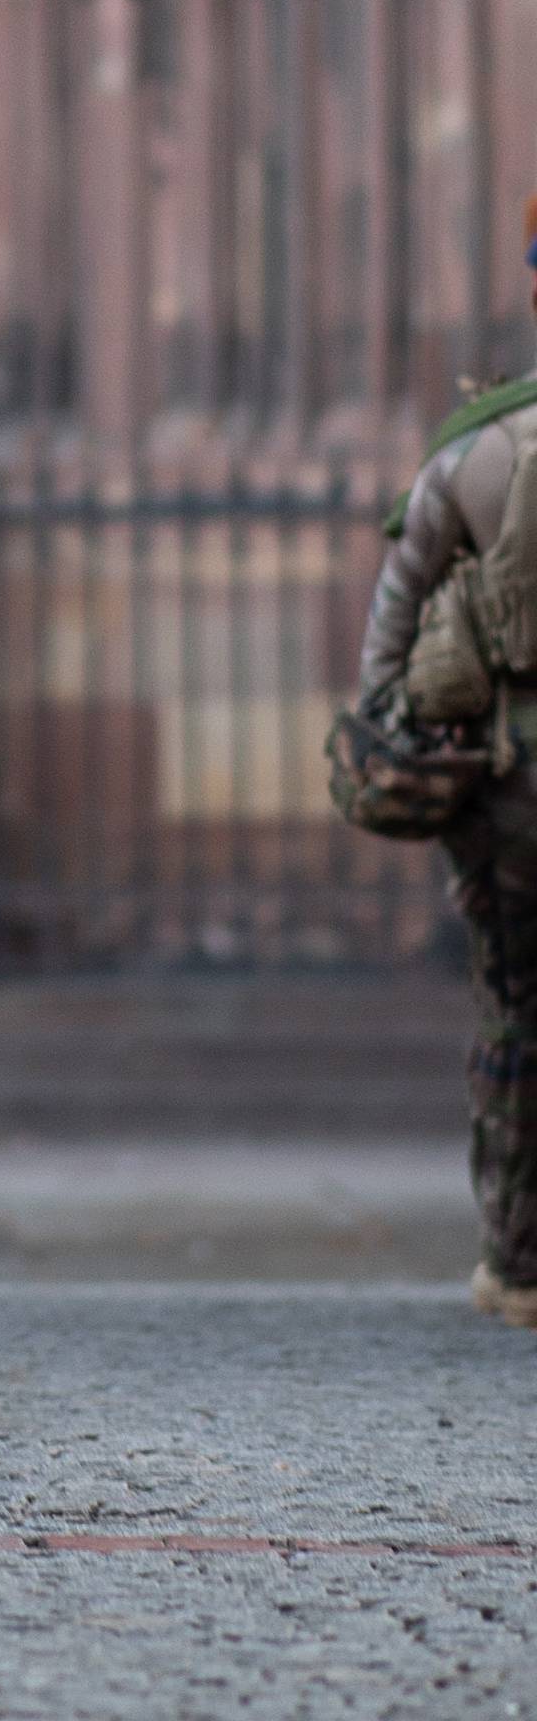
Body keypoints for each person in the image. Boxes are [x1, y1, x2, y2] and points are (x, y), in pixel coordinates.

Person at [347, 198, 537, 1326]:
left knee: (516, 1019)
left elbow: (390, 636)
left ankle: (517, 1266)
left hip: (507, 789)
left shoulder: (475, 452)